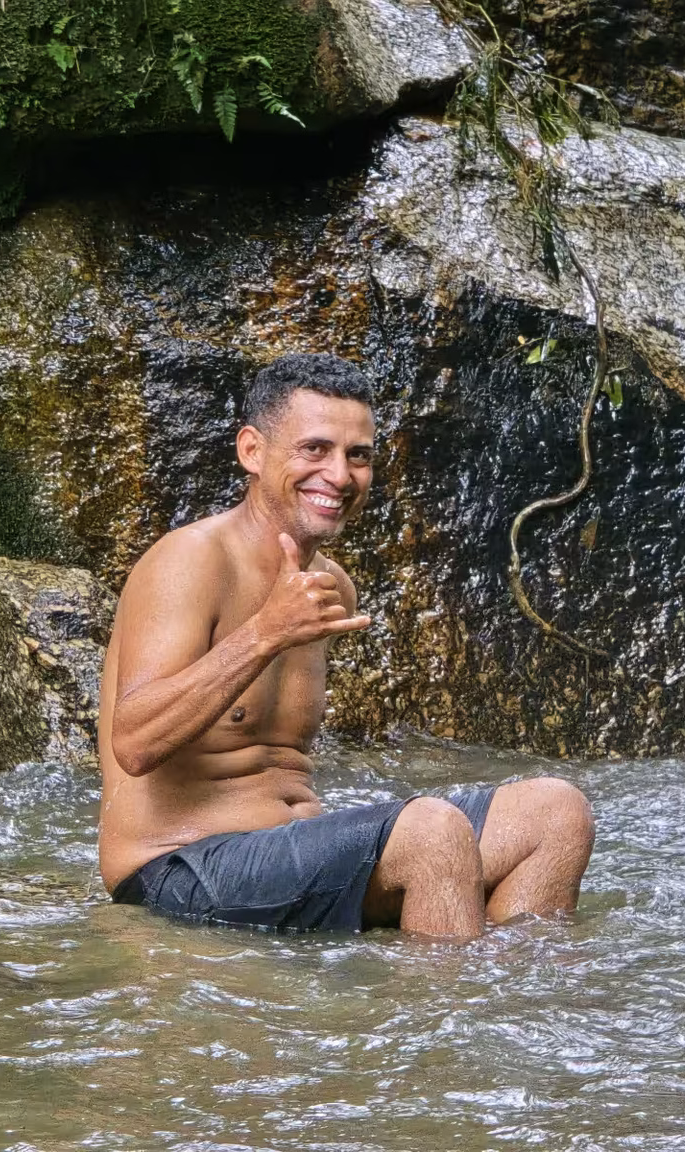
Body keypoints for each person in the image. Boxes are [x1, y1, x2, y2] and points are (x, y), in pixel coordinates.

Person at [98, 353, 594, 937]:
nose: (339, 475)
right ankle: (447, 995)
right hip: (177, 868)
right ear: (252, 451)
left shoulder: (330, 585)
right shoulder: (190, 560)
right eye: (315, 449)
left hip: (292, 860)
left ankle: (508, 986)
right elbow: (134, 744)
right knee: (431, 832)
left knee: (557, 813)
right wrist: (265, 633)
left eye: (358, 455)